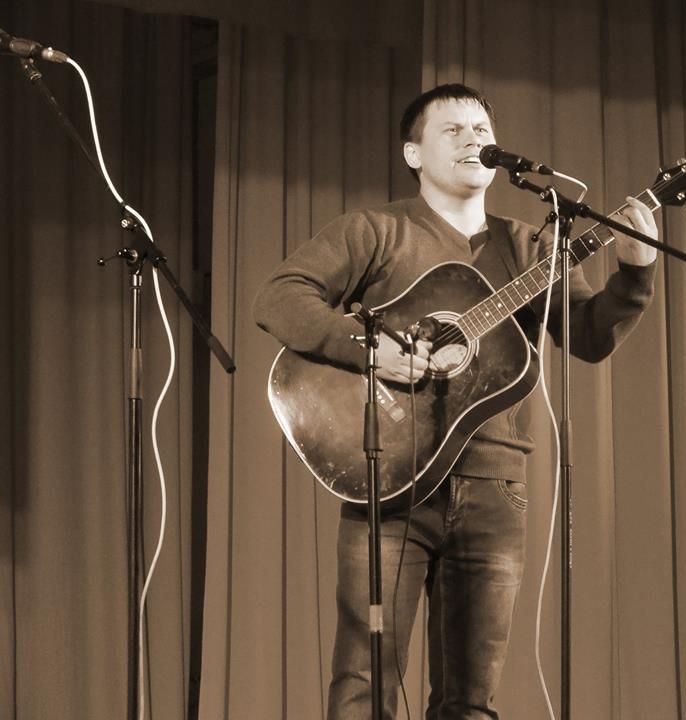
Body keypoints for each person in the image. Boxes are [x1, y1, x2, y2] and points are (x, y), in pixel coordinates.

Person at [253, 83, 659, 720]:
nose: (474, 140)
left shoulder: (534, 247)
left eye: (482, 130)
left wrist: (635, 274)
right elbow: (279, 297)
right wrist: (369, 349)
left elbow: (588, 335)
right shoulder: (376, 230)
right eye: (454, 130)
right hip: (389, 479)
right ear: (413, 154)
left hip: (495, 487)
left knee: (471, 700)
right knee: (363, 684)